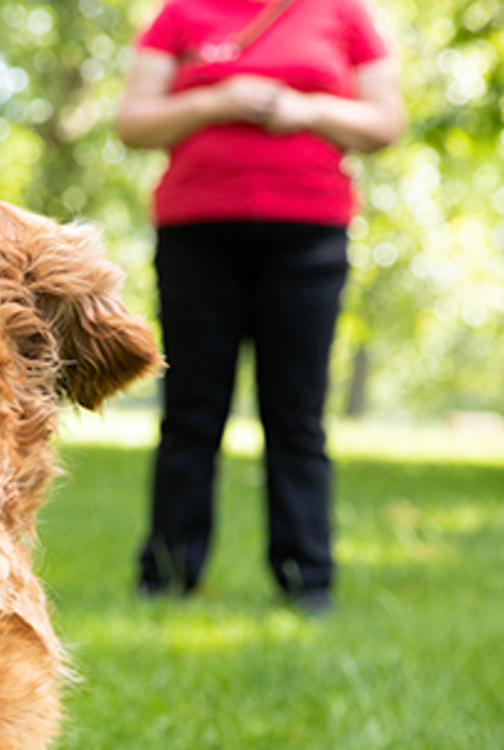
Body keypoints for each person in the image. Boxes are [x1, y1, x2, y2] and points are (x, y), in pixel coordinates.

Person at [115, 0, 404, 612]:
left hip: (308, 235)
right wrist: (216, 101)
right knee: (192, 411)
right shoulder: (181, 15)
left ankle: (307, 580)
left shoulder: (342, 14)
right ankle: (167, 573)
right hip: (196, 234)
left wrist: (307, 110)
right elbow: (133, 123)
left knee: (296, 415)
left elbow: (385, 124)